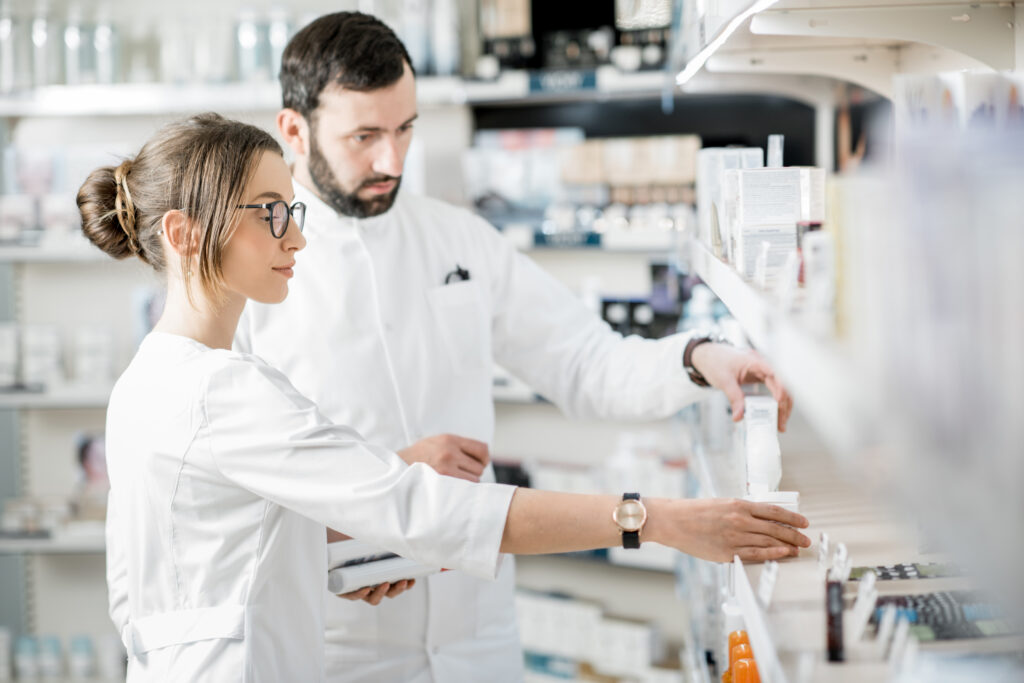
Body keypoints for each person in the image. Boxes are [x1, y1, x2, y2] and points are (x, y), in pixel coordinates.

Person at [86, 113, 809, 682]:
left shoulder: (149, 381)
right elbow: (421, 510)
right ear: (184, 234)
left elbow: (199, 560)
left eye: (291, 211)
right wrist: (656, 519)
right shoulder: (221, 388)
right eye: (271, 213)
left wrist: (345, 547)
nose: (295, 239)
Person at [235, 11, 798, 683]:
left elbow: (587, 361)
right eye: (365, 136)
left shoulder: (458, 238)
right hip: (342, 645)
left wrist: (699, 358)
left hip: (477, 633)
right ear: (294, 130)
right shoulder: (250, 277)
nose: (393, 160)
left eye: (405, 128)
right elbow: (235, 496)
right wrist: (373, 504)